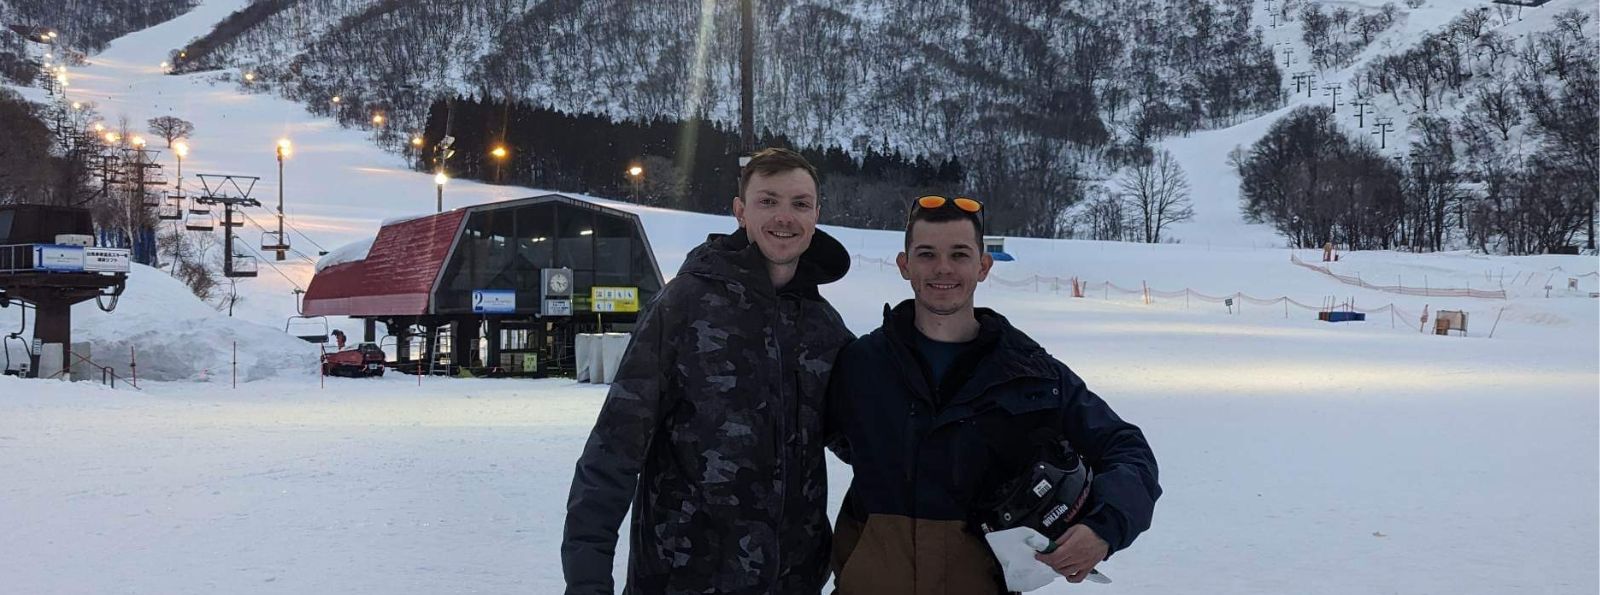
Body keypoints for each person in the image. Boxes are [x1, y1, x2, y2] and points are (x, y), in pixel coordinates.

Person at [827, 195, 1161, 594]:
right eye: (927, 254)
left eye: (960, 254)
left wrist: (1102, 528)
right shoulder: (859, 365)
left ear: (983, 266)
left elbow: (1128, 451)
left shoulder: (1030, 373)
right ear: (904, 265)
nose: (943, 268)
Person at [562, 148, 854, 595]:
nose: (784, 217)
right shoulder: (684, 306)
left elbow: (869, 444)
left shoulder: (824, 327)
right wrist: (587, 581)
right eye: (768, 201)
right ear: (740, 211)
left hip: (793, 583)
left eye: (799, 203)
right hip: (683, 581)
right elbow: (611, 455)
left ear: (817, 214)